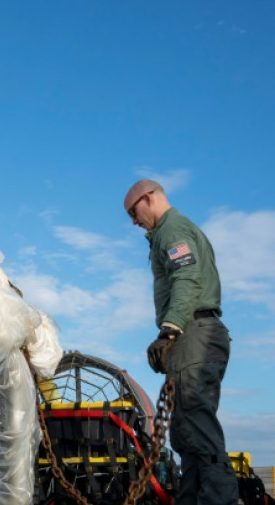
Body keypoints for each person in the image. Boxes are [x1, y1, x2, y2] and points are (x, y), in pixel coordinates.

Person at [123, 179, 239, 505]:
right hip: (196, 334)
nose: (133, 220)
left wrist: (170, 330)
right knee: (186, 434)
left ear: (149, 197)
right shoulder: (172, 231)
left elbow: (186, 277)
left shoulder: (172, 231)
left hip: (194, 334)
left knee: (197, 429)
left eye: (134, 211)